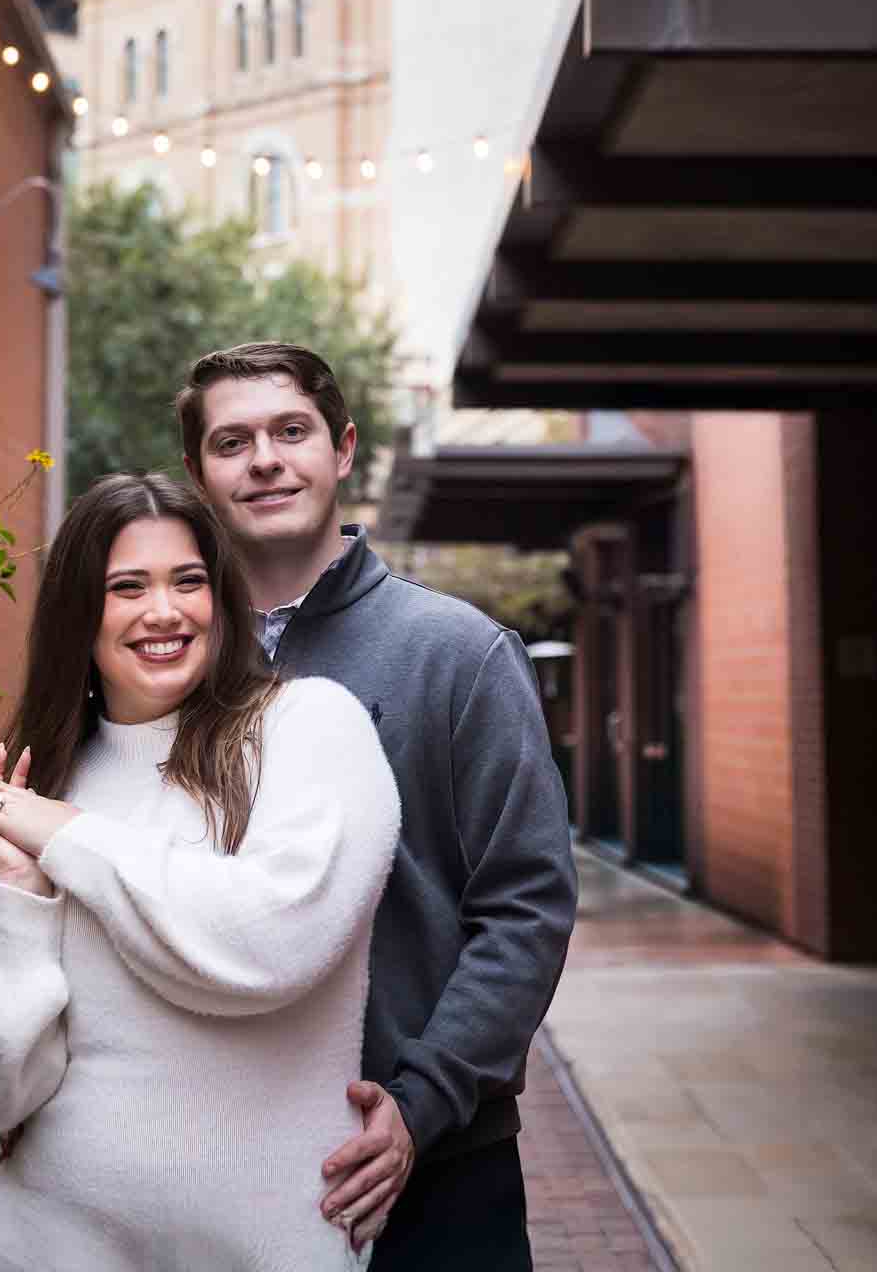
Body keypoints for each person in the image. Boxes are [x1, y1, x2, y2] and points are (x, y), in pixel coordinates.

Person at [0, 471, 400, 1272]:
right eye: (126, 587)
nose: (164, 612)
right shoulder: (35, 786)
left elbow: (266, 946)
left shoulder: (307, 729)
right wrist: (18, 896)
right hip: (44, 1249)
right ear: (81, 612)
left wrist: (67, 837)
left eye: (188, 581)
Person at [177, 344, 578, 1270]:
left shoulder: (457, 653)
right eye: (232, 441)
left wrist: (422, 1099)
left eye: (291, 431)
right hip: (217, 1158)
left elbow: (526, 905)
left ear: (343, 448)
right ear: (198, 475)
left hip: (435, 1166)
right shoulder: (170, 662)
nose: (265, 459)